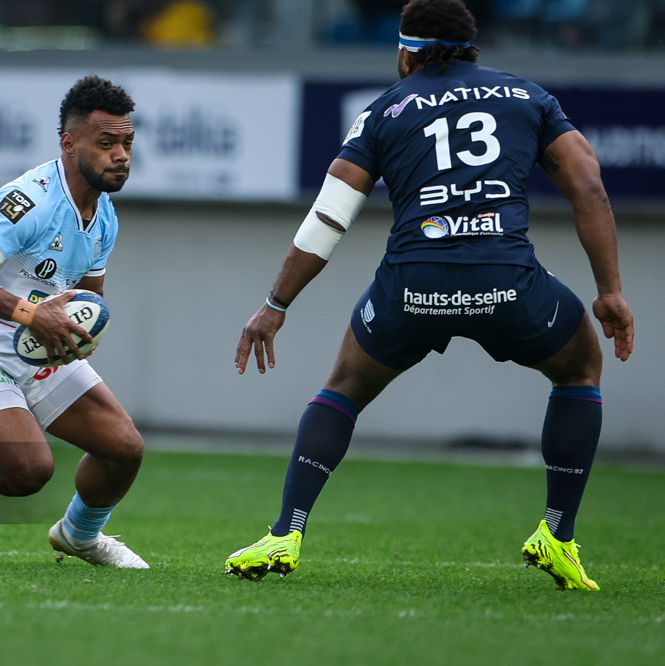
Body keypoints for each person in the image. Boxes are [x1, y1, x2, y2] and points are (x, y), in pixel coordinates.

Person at [224, 0, 633, 591]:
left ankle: (285, 533)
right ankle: (557, 533)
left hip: (413, 287)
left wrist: (275, 306)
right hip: (509, 284)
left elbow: (328, 218)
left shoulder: (385, 108)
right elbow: (589, 187)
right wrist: (611, 291)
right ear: (471, 49)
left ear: (407, 52)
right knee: (579, 369)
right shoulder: (528, 97)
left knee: (343, 388)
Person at [0, 75, 148, 569]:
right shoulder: (31, 200)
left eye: (128, 143)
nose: (122, 155)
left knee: (124, 448)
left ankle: (79, 536)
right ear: (69, 143)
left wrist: (80, 334)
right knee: (29, 472)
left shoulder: (105, 215)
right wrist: (32, 314)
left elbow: (88, 298)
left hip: (39, 344)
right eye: (106, 142)